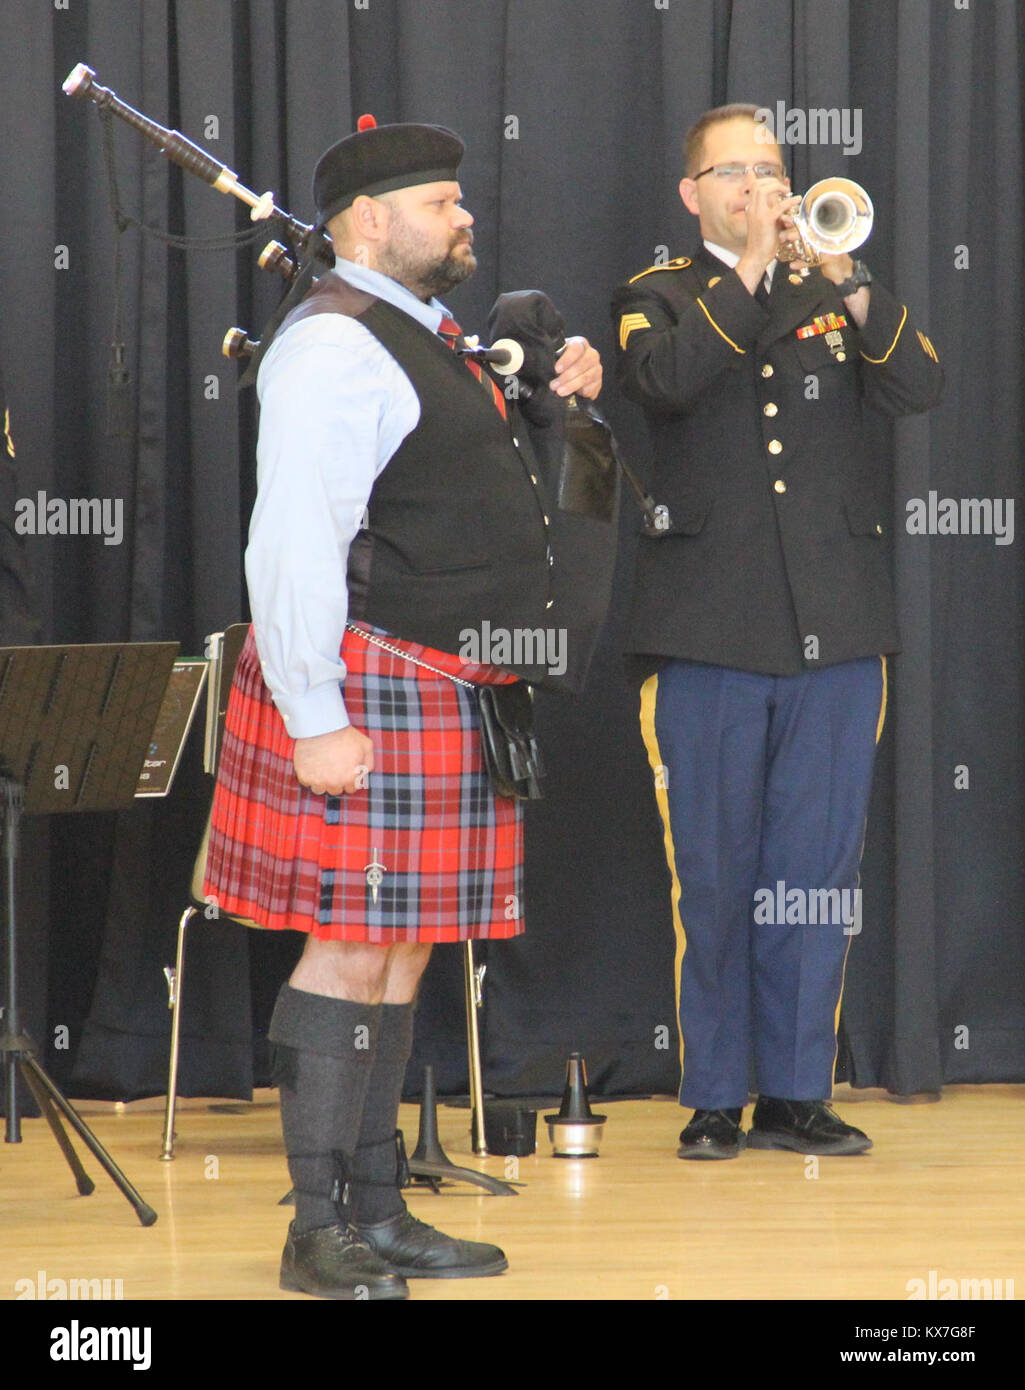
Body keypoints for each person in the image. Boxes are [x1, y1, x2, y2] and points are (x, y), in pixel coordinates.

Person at [203, 117, 601, 1299]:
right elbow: (293, 540)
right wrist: (313, 713)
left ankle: (377, 1209)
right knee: (347, 948)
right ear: (369, 222)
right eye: (440, 201)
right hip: (365, 687)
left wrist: (565, 389)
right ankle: (314, 1227)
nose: (463, 215)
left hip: (442, 688)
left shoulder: (423, 334)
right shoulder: (332, 344)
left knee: (401, 952)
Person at [611, 104, 942, 1161]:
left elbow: (918, 383)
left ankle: (797, 1090)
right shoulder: (655, 296)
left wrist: (842, 276)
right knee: (712, 873)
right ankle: (714, 1093)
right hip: (705, 629)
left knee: (814, 870)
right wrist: (751, 267)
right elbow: (665, 384)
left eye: (770, 169)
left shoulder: (829, 288)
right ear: (691, 192)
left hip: (835, 626)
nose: (758, 186)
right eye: (734, 171)